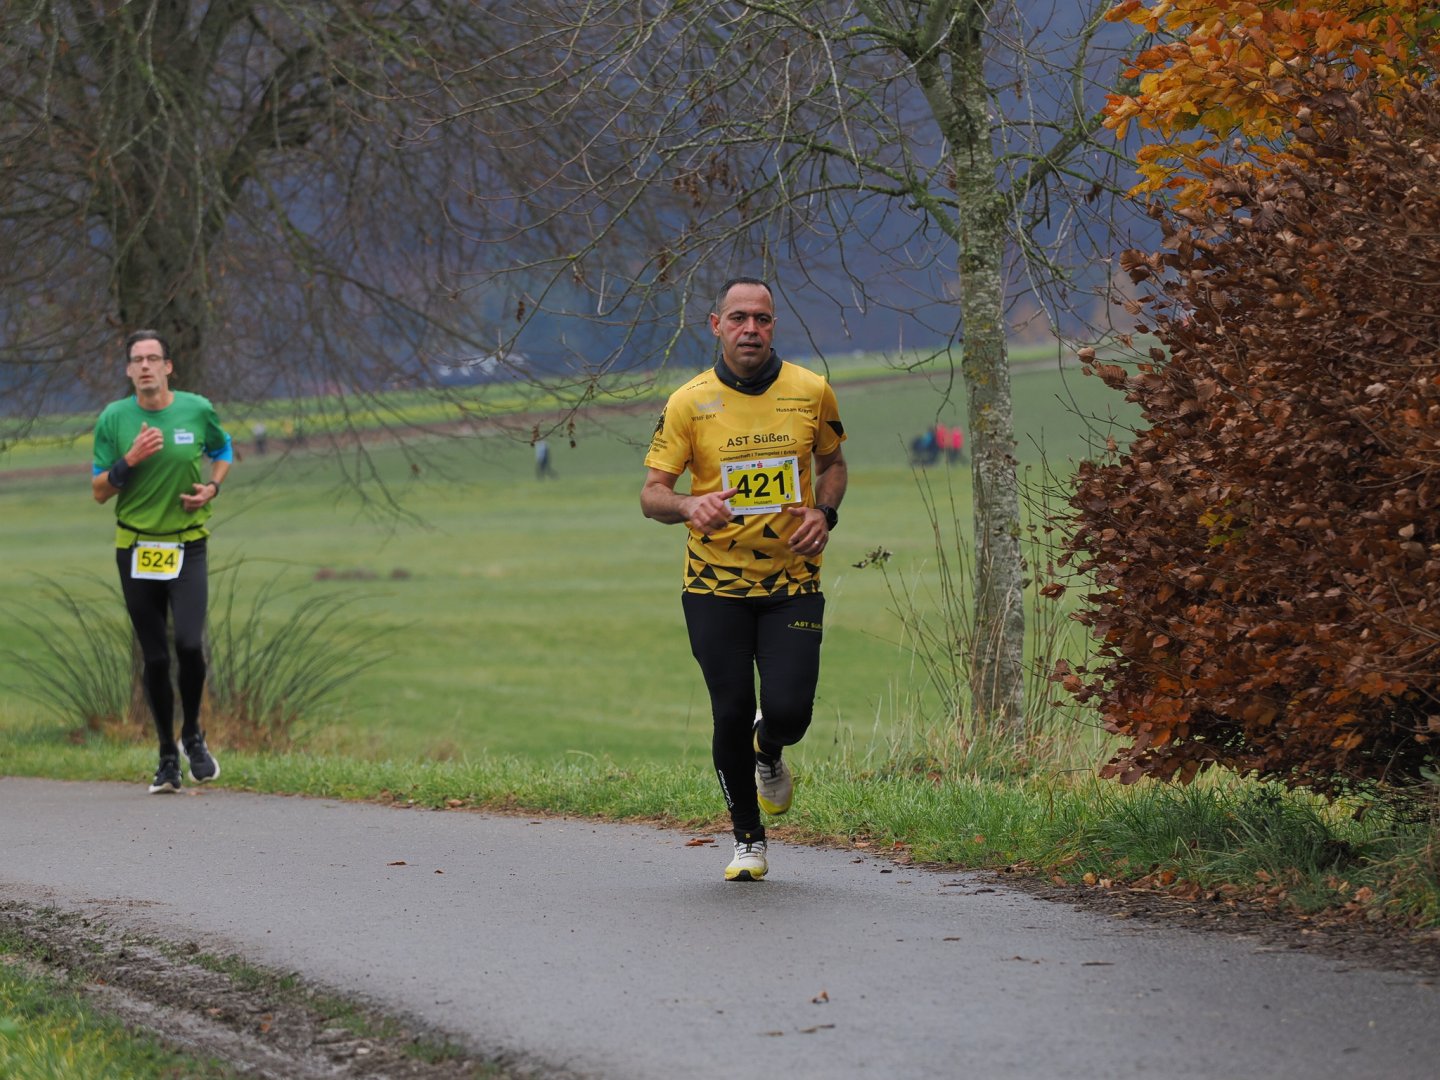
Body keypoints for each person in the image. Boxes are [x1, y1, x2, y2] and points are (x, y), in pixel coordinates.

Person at [641, 277, 848, 881]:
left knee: (789, 712)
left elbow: (833, 464)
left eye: (761, 318)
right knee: (730, 711)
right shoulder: (689, 402)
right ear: (717, 325)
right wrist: (688, 505)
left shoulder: (811, 391)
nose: (750, 329)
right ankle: (748, 841)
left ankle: (771, 748)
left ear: (773, 325)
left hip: (792, 582)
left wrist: (824, 513)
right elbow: (652, 494)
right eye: (738, 318)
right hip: (713, 586)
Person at [91, 330, 234, 794]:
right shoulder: (114, 419)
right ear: (129, 370)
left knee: (189, 645)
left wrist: (212, 488)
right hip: (136, 549)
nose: (146, 366)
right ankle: (167, 755)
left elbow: (223, 449)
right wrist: (129, 460)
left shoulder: (196, 409)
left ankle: (192, 733)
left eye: (154, 358)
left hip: (187, 546)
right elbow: (99, 491)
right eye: (137, 360)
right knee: (154, 657)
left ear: (168, 367)